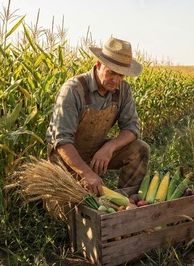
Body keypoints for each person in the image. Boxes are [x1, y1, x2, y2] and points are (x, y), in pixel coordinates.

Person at [45, 36, 150, 197]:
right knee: (73, 210)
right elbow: (62, 141)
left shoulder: (123, 89)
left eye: (121, 75)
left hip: (94, 152)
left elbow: (132, 128)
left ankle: (126, 201)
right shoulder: (73, 90)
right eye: (111, 73)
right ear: (99, 65)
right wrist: (87, 173)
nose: (116, 80)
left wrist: (109, 148)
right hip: (66, 160)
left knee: (140, 149)